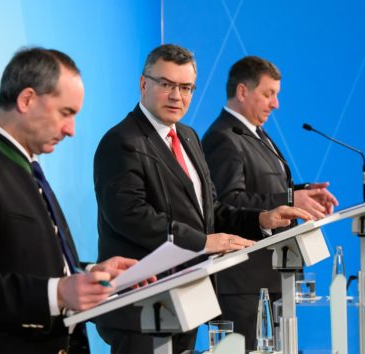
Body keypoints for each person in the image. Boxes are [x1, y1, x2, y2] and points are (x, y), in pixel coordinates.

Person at [92, 45, 312, 354]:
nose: (176, 96)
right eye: (166, 84)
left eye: (185, 87)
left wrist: (260, 218)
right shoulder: (121, 141)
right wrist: (204, 242)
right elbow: (131, 216)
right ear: (144, 84)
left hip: (188, 297)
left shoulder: (188, 137)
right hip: (142, 305)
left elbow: (211, 212)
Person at [0, 47, 143, 354]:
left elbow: (26, 263)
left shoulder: (24, 167)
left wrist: (89, 273)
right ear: (27, 99)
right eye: (66, 113)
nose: (71, 130)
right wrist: (58, 293)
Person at [202, 55, 338, 349]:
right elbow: (226, 202)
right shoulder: (222, 137)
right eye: (269, 94)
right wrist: (289, 197)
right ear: (242, 91)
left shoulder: (254, 134)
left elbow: (262, 189)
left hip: (272, 277)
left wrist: (301, 193)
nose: (275, 104)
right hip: (242, 284)